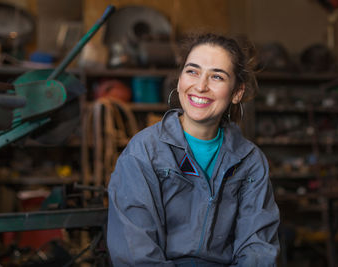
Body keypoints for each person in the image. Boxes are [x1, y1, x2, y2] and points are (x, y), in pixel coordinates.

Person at [107, 33, 280, 266]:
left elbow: (257, 247)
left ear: (237, 92)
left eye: (217, 76)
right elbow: (135, 251)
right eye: (192, 71)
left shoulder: (250, 161)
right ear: (179, 80)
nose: (200, 86)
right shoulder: (144, 152)